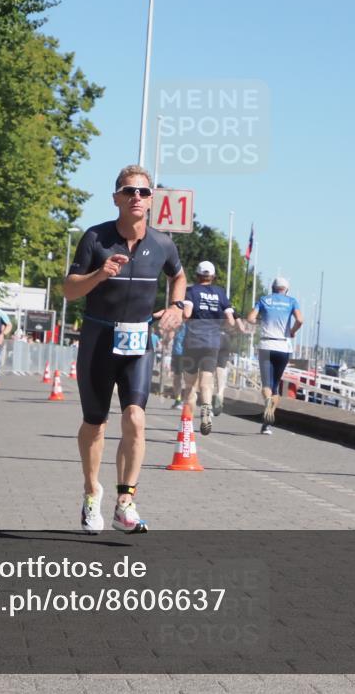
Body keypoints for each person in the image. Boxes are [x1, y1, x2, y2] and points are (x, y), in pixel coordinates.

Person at [64, 164, 186, 534]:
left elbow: (178, 276)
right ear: (116, 198)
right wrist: (100, 274)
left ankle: (125, 503)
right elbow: (69, 290)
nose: (137, 197)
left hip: (138, 342)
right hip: (98, 340)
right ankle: (91, 492)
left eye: (144, 192)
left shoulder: (162, 244)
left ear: (151, 201)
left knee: (135, 418)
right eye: (129, 191)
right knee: (95, 423)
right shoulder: (95, 238)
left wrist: (177, 307)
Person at [181, 261, 235, 435]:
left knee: (190, 385)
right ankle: (206, 409)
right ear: (213, 277)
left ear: (197, 275)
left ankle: (188, 425)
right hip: (212, 342)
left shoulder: (191, 291)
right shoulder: (220, 293)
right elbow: (231, 321)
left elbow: (187, 314)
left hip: (193, 341)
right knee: (206, 380)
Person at [246, 276, 303, 434]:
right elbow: (300, 320)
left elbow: (250, 318)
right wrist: (292, 331)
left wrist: (261, 321)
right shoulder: (292, 301)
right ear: (286, 290)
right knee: (275, 385)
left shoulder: (264, 300)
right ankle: (267, 425)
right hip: (283, 346)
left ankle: (267, 403)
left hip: (266, 345)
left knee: (266, 384)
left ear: (272, 288)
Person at [213, 311, 249, 417]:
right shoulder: (232, 311)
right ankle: (220, 395)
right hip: (226, 340)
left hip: (214, 338)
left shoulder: (215, 306)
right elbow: (242, 329)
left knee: (209, 373)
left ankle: (208, 405)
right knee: (221, 371)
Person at [169, 323, 187, 409]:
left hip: (183, 352)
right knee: (178, 378)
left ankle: (182, 400)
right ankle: (179, 400)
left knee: (181, 378)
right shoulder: (178, 322)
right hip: (178, 352)